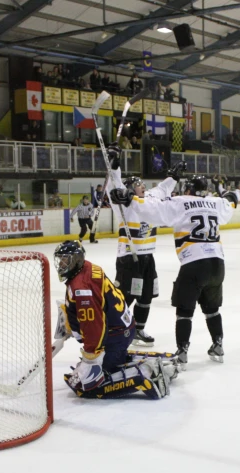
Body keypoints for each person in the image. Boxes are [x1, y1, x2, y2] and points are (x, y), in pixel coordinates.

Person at [110, 155, 239, 365]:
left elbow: (155, 207)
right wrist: (226, 191)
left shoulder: (180, 203)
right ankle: (218, 345)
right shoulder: (215, 202)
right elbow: (231, 202)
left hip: (194, 263)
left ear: (187, 190)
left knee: (185, 309)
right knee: (212, 308)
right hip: (218, 263)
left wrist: (130, 198)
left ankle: (182, 351)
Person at [54, 240, 176, 399]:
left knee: (88, 386)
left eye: (65, 260)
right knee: (101, 365)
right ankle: (118, 356)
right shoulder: (87, 267)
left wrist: (91, 356)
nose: (61, 264)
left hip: (116, 334)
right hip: (120, 327)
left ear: (76, 259)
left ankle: (148, 370)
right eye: (60, 259)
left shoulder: (82, 288)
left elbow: (94, 326)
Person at [107, 144, 178, 348]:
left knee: (146, 295)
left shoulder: (150, 201)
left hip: (147, 258)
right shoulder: (123, 203)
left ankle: (138, 330)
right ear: (130, 189)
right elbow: (114, 184)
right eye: (139, 185)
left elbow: (163, 189)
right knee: (126, 297)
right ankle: (115, 329)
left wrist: (174, 176)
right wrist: (115, 164)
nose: (143, 187)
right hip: (130, 258)